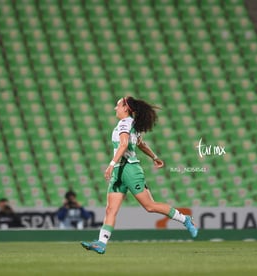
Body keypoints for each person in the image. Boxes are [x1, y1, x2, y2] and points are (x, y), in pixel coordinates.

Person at [81, 96, 198, 254]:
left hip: (129, 169)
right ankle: (101, 243)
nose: (115, 109)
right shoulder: (131, 125)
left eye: (118, 106)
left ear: (126, 108)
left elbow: (123, 145)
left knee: (150, 206)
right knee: (110, 209)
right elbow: (140, 143)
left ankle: (185, 219)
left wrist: (110, 164)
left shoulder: (125, 123)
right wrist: (154, 157)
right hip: (119, 171)